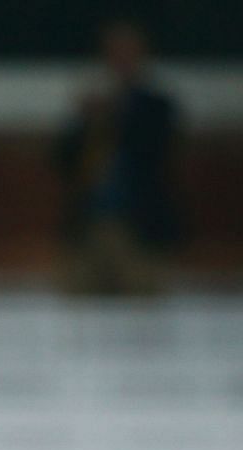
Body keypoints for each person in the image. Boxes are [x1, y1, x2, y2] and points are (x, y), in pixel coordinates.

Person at [53, 21, 182, 295]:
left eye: (128, 53)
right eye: (114, 53)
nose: (121, 60)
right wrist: (86, 121)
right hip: (91, 227)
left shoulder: (156, 106)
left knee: (143, 310)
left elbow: (153, 152)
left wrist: (115, 113)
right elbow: (62, 161)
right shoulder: (92, 108)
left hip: (137, 229)